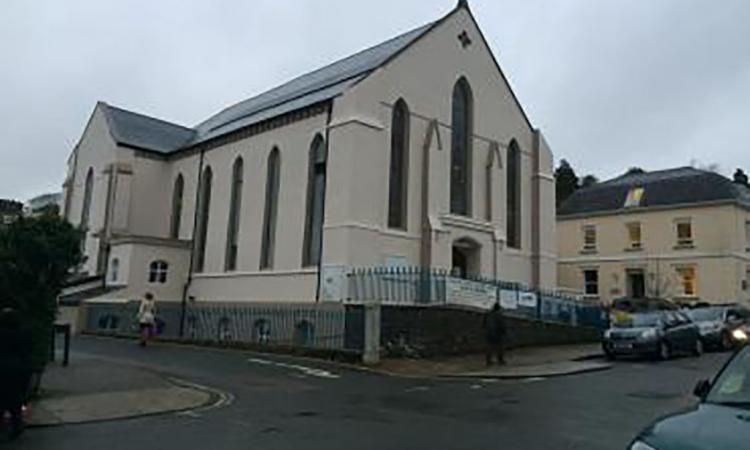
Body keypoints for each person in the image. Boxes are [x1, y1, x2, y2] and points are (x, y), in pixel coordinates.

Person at [0, 307, 33, 439]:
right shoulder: (25, 332)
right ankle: (16, 425)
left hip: (2, 368)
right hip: (20, 369)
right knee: (16, 398)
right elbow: (29, 350)